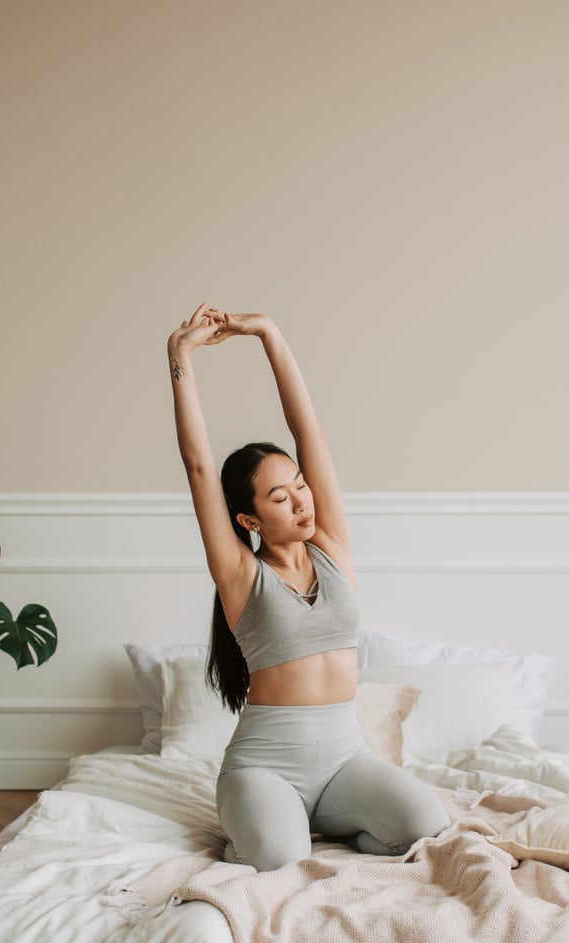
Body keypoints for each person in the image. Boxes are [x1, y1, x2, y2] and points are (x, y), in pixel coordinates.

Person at [167, 302, 449, 871]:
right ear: (248, 521)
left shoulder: (332, 547)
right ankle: (270, 826)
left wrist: (268, 331)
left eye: (299, 485)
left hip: (345, 761)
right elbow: (199, 466)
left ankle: (325, 822)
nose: (301, 500)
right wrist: (180, 355)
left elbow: (308, 429)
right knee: (280, 858)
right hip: (265, 767)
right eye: (279, 497)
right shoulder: (241, 577)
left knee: (428, 828)